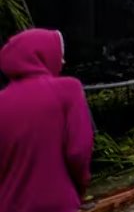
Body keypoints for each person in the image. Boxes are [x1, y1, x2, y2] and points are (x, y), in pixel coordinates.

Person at [0, 28, 94, 212]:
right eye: (59, 54)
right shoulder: (68, 90)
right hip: (57, 203)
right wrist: (79, 189)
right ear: (42, 55)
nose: (63, 61)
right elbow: (78, 152)